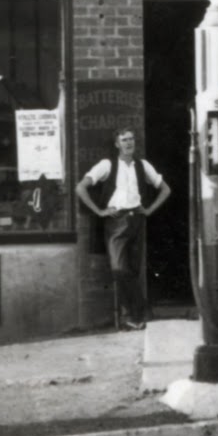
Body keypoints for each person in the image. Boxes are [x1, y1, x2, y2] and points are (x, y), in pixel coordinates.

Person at [77, 126, 172, 331]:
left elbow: (165, 190)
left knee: (134, 270)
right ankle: (139, 312)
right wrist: (99, 211)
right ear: (117, 144)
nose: (129, 143)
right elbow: (80, 187)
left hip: (137, 219)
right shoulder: (107, 165)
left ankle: (133, 318)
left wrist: (149, 210)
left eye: (131, 139)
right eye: (124, 140)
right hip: (116, 222)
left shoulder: (143, 165)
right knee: (119, 269)